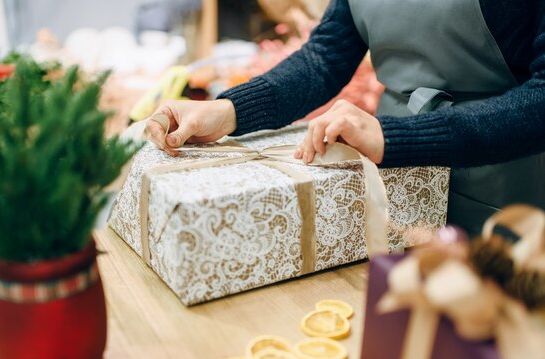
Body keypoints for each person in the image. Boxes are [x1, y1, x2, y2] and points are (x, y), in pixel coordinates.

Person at [145, 0, 545, 234]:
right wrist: (228, 110)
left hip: (504, 187)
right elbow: (325, 57)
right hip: (393, 182)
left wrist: (398, 138)